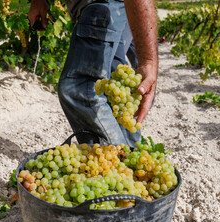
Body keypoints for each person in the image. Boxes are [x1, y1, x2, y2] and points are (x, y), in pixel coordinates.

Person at [29, 0, 158, 147]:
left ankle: (117, 163)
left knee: (81, 90)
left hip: (103, 7)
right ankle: (134, 157)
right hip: (115, 10)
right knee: (114, 94)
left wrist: (148, 61)